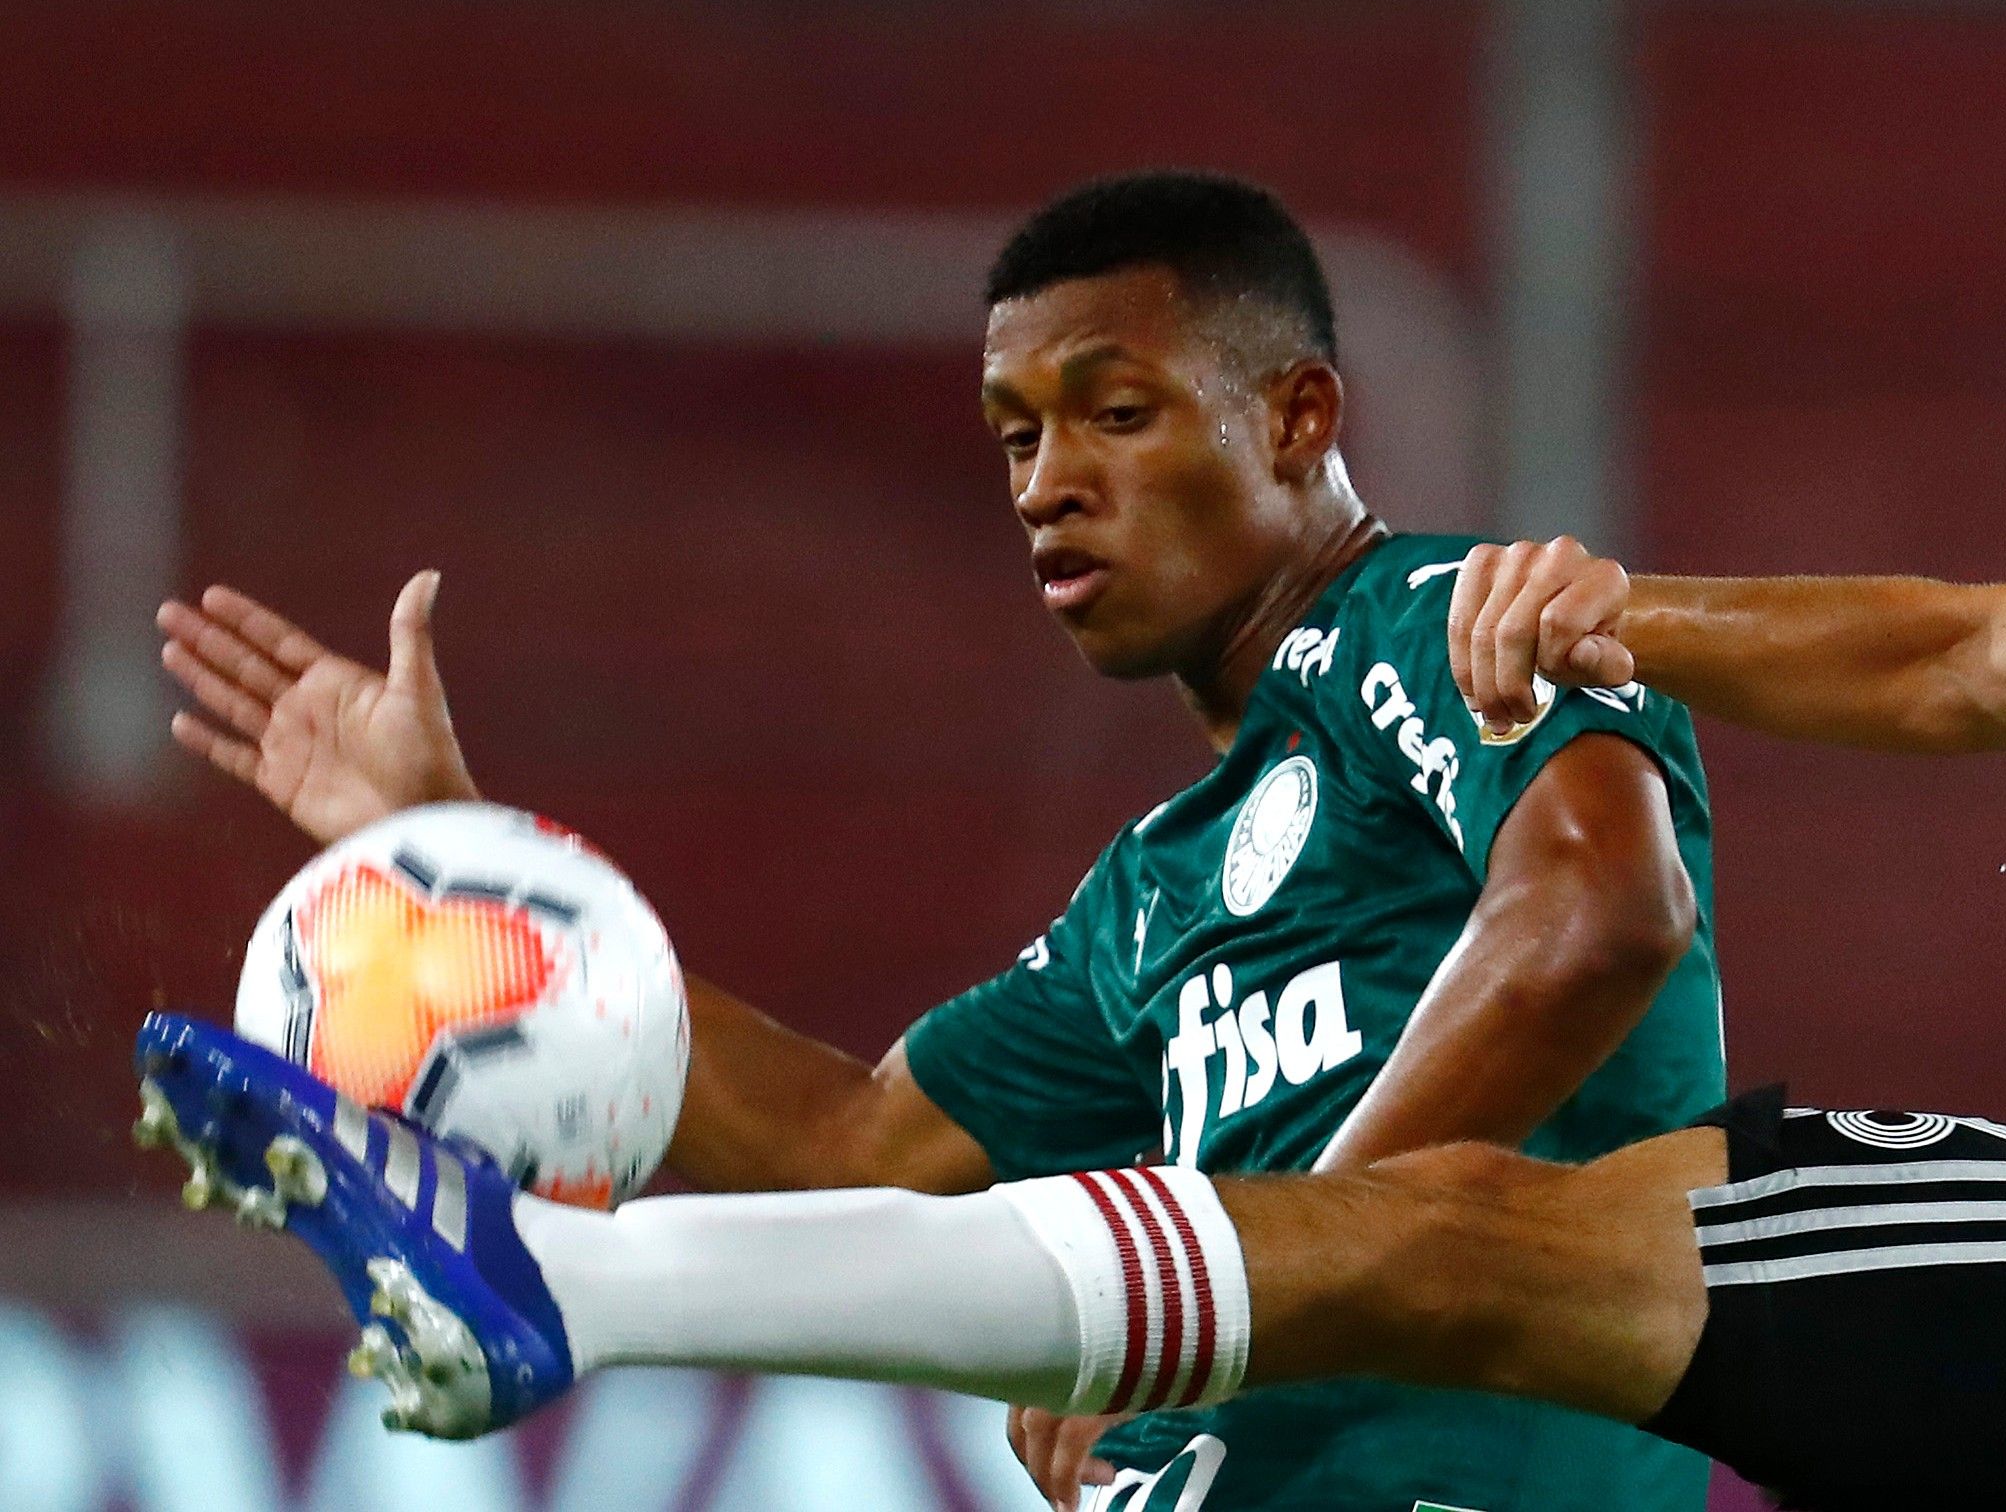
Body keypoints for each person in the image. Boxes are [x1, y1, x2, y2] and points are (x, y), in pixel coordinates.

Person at [137, 0, 2006, 1512]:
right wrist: (1620, 608)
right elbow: (1970, 663)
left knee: (1509, 1234)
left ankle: (553, 1294)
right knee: (1498, 1247)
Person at [151, 172, 1730, 1511]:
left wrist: (1241, 1296)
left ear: (1296, 417)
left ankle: (546, 1286)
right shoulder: (1155, 891)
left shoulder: (1467, 628)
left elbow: (1602, 913)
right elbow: (855, 1150)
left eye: (1116, 414)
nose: (1049, 486)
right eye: (1015, 437)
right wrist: (461, 847)